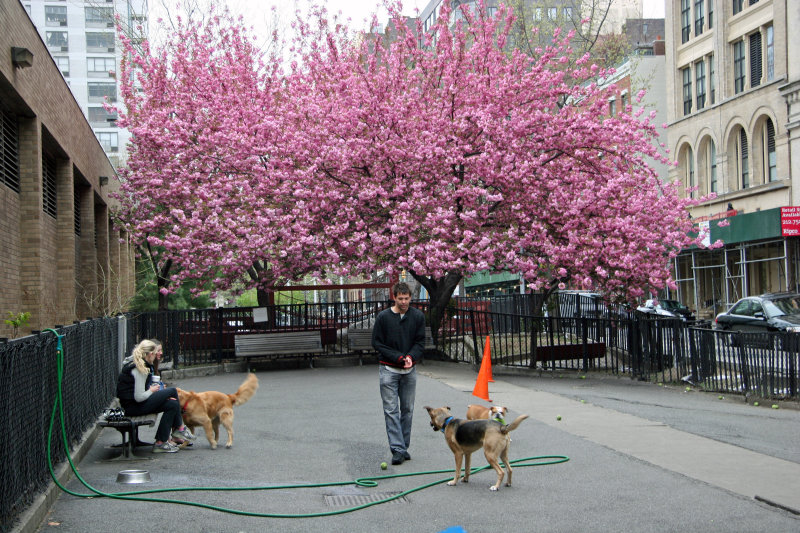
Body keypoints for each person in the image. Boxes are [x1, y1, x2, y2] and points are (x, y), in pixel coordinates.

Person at [372, 281, 426, 465]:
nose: (404, 302)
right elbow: (377, 343)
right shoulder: (383, 317)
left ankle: (403, 446)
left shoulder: (417, 316)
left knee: (407, 409)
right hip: (388, 369)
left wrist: (411, 356)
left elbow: (420, 342)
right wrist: (398, 357)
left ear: (411, 298)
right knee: (391, 410)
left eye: (407, 298)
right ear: (394, 297)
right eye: (400, 298)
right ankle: (397, 448)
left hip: (409, 370)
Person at [116, 339, 196, 453]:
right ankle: (180, 428)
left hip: (133, 404)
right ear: (150, 354)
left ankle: (161, 442)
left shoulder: (137, 363)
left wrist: (153, 391)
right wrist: (152, 390)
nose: (155, 356)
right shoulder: (139, 369)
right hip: (133, 407)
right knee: (173, 391)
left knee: (172, 404)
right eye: (155, 353)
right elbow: (139, 397)